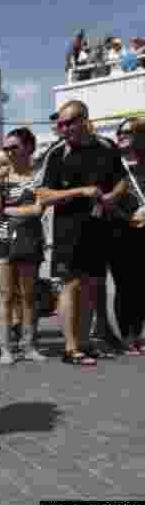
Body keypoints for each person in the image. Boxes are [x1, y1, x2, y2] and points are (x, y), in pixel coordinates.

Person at [35, 100, 128, 366]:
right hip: (68, 229)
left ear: (84, 120)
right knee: (71, 284)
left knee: (91, 285)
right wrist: (80, 191)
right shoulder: (57, 153)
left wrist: (111, 197)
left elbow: (121, 179)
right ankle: (70, 348)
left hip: (99, 226)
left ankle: (85, 343)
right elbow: (43, 195)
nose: (63, 129)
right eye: (60, 124)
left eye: (68, 123)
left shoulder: (106, 147)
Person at [0, 128, 47, 364]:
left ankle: (29, 346)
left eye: (15, 147)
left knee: (28, 295)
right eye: (6, 148)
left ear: (29, 147)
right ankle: (6, 349)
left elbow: (38, 209)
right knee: (6, 295)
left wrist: (10, 210)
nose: (9, 152)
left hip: (29, 238)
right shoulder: (1, 177)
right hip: (2, 237)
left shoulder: (38, 176)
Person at [112, 118, 145, 354]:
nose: (121, 135)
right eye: (119, 132)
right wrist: (127, 217)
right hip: (120, 231)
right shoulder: (114, 164)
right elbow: (105, 197)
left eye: (127, 132)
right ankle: (126, 335)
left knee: (142, 285)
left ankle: (138, 333)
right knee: (125, 285)